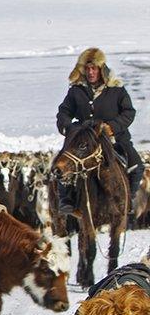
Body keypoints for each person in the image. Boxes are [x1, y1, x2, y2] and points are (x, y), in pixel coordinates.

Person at [56, 47, 141, 215]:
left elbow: (129, 112)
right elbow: (64, 111)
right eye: (87, 68)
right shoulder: (76, 91)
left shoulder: (117, 90)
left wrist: (112, 127)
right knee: (60, 164)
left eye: (94, 68)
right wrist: (69, 127)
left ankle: (128, 198)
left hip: (114, 139)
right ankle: (67, 200)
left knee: (137, 165)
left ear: (101, 69)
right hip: (85, 140)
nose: (90, 72)